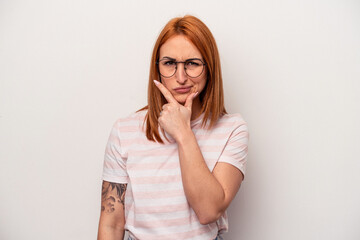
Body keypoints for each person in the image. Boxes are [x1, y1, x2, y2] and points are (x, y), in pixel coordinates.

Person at [97, 15, 249, 240]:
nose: (181, 77)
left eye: (192, 64)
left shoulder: (232, 129)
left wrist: (183, 132)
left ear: (209, 68)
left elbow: (209, 211)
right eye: (169, 63)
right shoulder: (124, 131)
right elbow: (111, 224)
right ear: (157, 69)